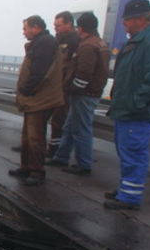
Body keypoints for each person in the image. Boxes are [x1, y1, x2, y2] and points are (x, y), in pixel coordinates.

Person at [104, 0, 150, 210]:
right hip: (126, 108)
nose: (123, 23)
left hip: (136, 111)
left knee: (134, 152)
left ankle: (130, 197)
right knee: (126, 152)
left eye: (127, 20)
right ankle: (126, 188)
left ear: (141, 19)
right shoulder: (137, 40)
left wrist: (136, 103)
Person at [47, 13, 109, 175]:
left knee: (81, 130)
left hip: (84, 94)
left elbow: (84, 73)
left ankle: (84, 164)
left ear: (80, 28)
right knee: (69, 127)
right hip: (89, 92)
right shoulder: (99, 43)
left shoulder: (87, 46)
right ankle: (61, 156)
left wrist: (72, 89)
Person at [9, 15, 64, 185]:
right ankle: (26, 167)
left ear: (35, 27)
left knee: (35, 137)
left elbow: (39, 72)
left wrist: (26, 90)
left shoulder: (45, 43)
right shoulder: (41, 42)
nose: (23, 32)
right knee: (28, 135)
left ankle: (36, 171)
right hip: (37, 98)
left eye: (25, 28)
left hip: (41, 98)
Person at [47, 11, 81, 158]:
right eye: (55, 25)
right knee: (54, 119)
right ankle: (53, 148)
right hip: (55, 86)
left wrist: (68, 85)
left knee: (59, 119)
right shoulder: (58, 39)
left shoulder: (74, 41)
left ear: (69, 24)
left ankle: (56, 150)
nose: (56, 28)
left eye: (58, 25)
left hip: (64, 87)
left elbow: (70, 66)